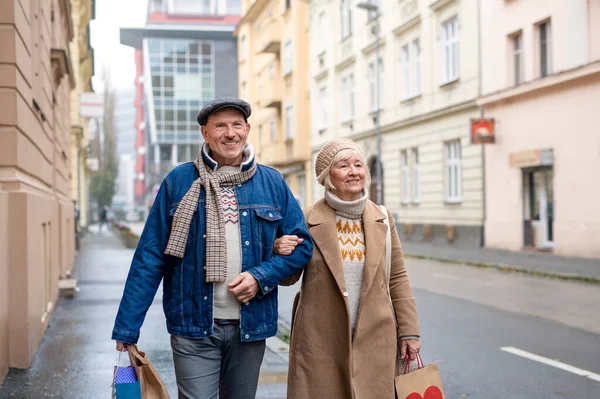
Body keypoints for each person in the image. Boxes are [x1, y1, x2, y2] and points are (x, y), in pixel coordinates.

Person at [112, 98, 313, 399]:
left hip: (250, 324)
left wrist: (261, 276)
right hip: (192, 325)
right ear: (205, 133)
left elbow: (302, 246)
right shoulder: (178, 182)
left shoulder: (271, 182)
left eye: (236, 125)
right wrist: (127, 327)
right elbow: (150, 257)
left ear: (247, 130)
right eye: (220, 126)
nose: (229, 133)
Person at [274, 139, 421, 398]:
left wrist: (409, 331)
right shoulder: (306, 219)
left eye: (358, 164)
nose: (354, 172)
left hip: (375, 335)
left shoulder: (383, 218)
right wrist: (278, 250)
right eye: (343, 165)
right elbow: (289, 277)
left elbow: (397, 277)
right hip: (321, 339)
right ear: (327, 177)